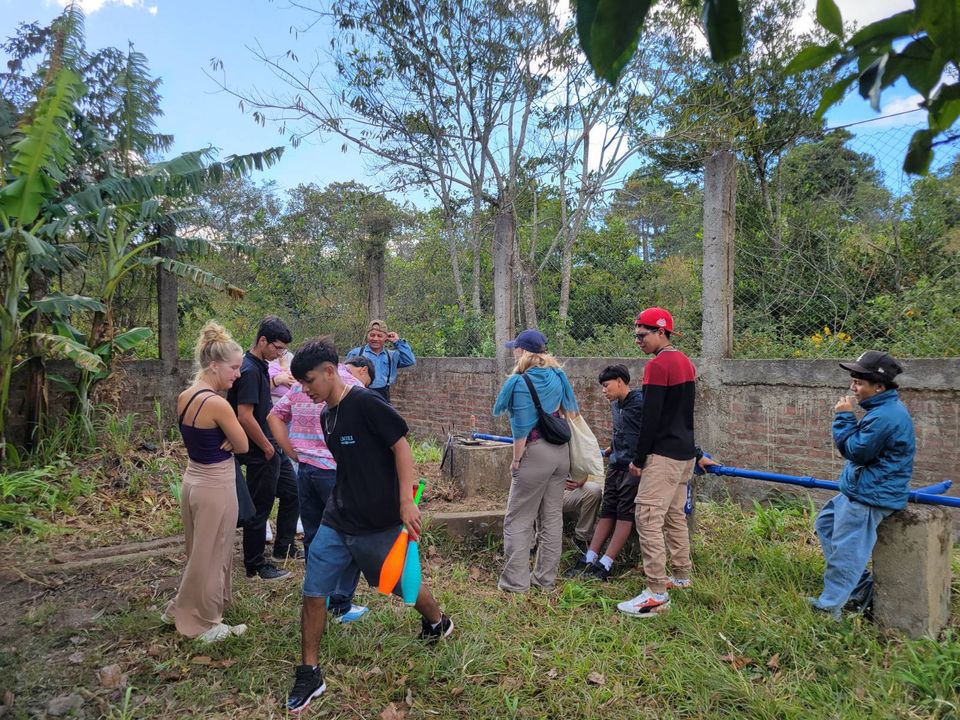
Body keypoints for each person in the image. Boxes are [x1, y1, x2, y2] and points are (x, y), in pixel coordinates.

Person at [284, 338, 453, 713]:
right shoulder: (327, 415)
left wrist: (406, 501)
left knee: (398, 585)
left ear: (330, 371)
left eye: (310, 380)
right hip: (337, 517)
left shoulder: (366, 402)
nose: (306, 389)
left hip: (378, 522)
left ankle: (438, 621)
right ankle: (309, 671)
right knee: (313, 591)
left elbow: (401, 445)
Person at [809, 351, 915, 621]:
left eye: (858, 382)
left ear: (879, 387)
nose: (852, 388)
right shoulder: (880, 410)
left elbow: (857, 452)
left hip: (870, 496)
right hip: (860, 490)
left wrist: (844, 418)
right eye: (852, 381)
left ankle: (829, 608)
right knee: (826, 524)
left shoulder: (885, 416)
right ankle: (862, 590)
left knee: (846, 552)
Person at [162, 322, 250, 643]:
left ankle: (183, 607)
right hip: (215, 485)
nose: (237, 374)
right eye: (234, 368)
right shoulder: (217, 403)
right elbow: (242, 445)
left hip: (193, 480)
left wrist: (226, 436)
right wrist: (230, 436)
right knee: (212, 552)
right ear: (214, 366)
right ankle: (203, 623)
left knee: (199, 551)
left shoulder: (186, 396)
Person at [268, 357, 370, 624]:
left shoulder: (299, 386)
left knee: (314, 537)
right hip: (336, 473)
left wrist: (294, 452)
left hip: (307, 472)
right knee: (349, 537)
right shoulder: (350, 387)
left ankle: (317, 599)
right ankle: (340, 604)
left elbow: (274, 416)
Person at [617, 308, 698, 618]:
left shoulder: (657, 365)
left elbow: (650, 418)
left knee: (648, 517)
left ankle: (656, 593)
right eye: (636, 335)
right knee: (674, 515)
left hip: (663, 455)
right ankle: (681, 575)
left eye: (642, 334)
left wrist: (639, 458)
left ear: (661, 332)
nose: (638, 340)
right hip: (685, 454)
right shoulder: (686, 363)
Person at [493, 329, 579, 594]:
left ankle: (516, 584)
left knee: (518, 518)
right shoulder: (558, 375)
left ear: (523, 351)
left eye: (515, 348)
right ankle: (545, 580)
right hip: (560, 452)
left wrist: (516, 460)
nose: (513, 352)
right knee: (552, 517)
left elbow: (519, 428)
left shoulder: (519, 382)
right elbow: (571, 412)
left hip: (534, 451)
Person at [227, 316, 300, 581]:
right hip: (261, 450)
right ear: (262, 341)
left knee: (292, 492)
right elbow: (244, 416)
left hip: (271, 446)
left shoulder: (261, 366)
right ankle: (255, 564)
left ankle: (284, 546)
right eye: (277, 348)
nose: (281, 354)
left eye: (284, 349)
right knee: (261, 506)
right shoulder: (248, 370)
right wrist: (267, 446)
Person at [567, 364, 643, 581]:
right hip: (617, 464)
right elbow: (620, 430)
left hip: (633, 467)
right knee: (607, 509)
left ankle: (606, 563)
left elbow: (645, 432)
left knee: (624, 513)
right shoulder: (615, 405)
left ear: (620, 381)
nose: (603, 390)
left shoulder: (639, 403)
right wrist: (612, 445)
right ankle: (590, 557)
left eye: (606, 385)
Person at [346, 319, 415, 403]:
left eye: (379, 336)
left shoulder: (391, 356)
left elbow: (409, 360)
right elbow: (346, 377)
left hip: (383, 396)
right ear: (367, 335)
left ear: (386, 337)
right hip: (360, 395)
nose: (375, 338)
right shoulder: (356, 353)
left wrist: (397, 342)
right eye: (372, 335)